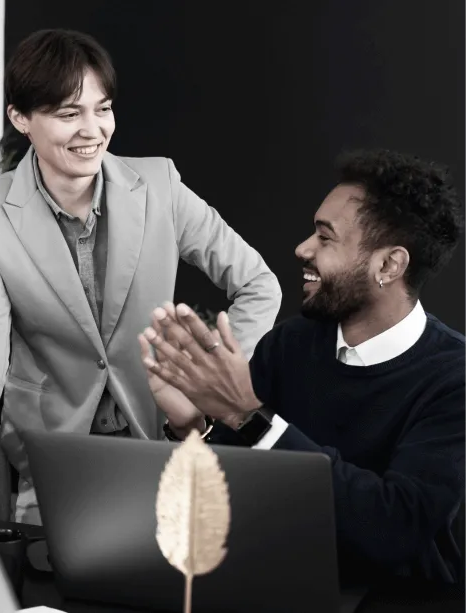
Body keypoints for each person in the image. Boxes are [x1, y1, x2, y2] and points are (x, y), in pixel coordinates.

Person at [0, 28, 281, 531]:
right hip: (50, 450)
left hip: (159, 436)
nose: (93, 129)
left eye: (102, 108)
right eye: (69, 114)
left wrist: (207, 383)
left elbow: (258, 284)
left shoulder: (160, 184)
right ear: (21, 119)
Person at [139, 149, 466, 584]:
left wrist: (248, 415)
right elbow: (229, 490)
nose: (302, 248)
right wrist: (192, 426)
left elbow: (392, 528)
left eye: (325, 238)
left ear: (389, 265)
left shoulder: (454, 379)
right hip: (277, 588)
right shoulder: (290, 344)